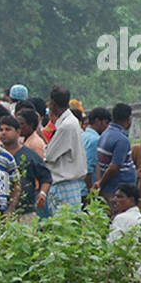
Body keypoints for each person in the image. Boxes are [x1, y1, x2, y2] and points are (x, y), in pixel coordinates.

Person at [42, 86, 87, 214]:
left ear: (53, 104)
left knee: (64, 226)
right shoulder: (70, 121)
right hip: (70, 184)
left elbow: (50, 155)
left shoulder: (66, 126)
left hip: (64, 185)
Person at [1, 114, 51, 223]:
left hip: (26, 211)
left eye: (8, 129)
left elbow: (46, 177)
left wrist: (42, 194)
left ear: (18, 132)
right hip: (0, 213)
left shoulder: (29, 155)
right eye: (1, 129)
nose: (3, 133)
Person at [93, 103, 137, 207]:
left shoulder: (104, 134)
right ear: (128, 119)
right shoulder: (122, 140)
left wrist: (99, 182)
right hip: (118, 191)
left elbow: (99, 162)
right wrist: (101, 183)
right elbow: (114, 167)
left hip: (110, 188)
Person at [82, 107, 107, 189]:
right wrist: (91, 191)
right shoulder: (95, 140)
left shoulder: (83, 135)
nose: (107, 127)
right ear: (97, 121)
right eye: (105, 123)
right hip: (87, 187)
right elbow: (88, 170)